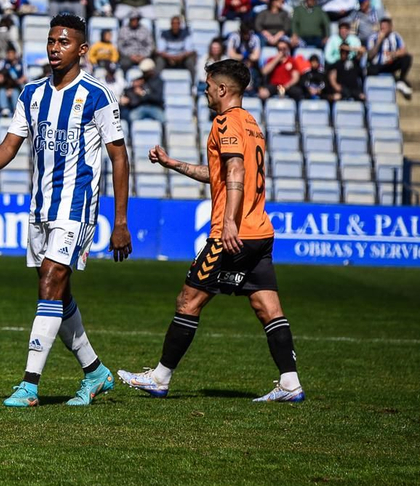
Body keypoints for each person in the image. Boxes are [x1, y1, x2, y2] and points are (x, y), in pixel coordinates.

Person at [0, 13, 132, 409]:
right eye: (52, 41)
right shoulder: (31, 94)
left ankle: (29, 384)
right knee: (56, 291)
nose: (55, 48)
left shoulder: (98, 96)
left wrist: (120, 221)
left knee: (51, 280)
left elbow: (119, 158)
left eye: (64, 42)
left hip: (78, 206)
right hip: (40, 207)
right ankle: (96, 372)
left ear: (82, 49)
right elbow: (9, 145)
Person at [123, 59, 303, 402]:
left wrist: (230, 223)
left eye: (208, 85)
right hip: (260, 232)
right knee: (268, 306)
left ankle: (159, 378)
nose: (205, 90)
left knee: (188, 301)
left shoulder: (226, 122)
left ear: (222, 89)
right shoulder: (251, 123)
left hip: (232, 233)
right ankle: (290, 382)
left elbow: (234, 172)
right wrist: (172, 163)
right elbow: (219, 173)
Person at [368, 17, 414, 98]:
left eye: (385, 28)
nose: (383, 30)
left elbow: (404, 50)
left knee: (407, 58)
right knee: (370, 69)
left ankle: (401, 80)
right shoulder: (373, 37)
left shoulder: (396, 36)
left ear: (390, 27)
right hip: (377, 65)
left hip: (390, 63)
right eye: (382, 28)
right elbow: (370, 55)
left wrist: (394, 54)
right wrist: (379, 41)